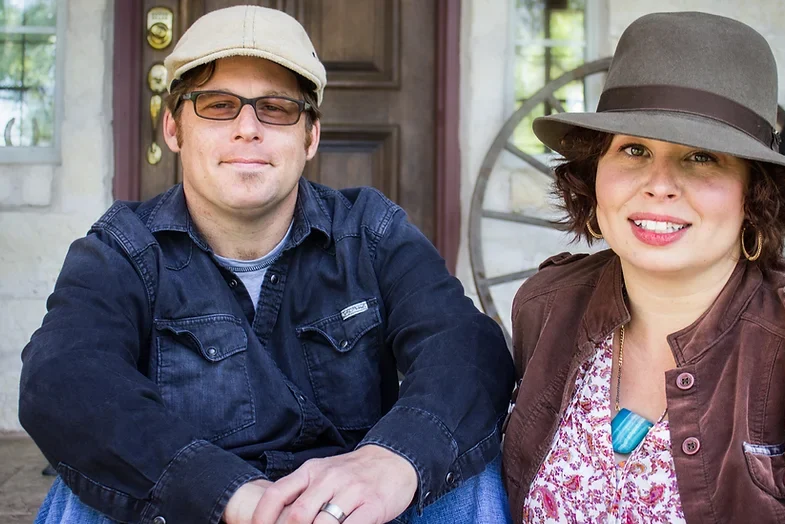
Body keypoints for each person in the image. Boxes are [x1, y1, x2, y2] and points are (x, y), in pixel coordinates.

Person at [20, 6, 514, 524]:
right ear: (173, 128)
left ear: (311, 136)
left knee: (461, 468)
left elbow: (465, 348)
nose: (247, 128)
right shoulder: (125, 249)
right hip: (198, 506)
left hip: (347, 508)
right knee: (88, 490)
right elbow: (62, 379)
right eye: (217, 104)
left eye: (276, 108)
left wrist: (392, 459)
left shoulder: (371, 231)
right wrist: (229, 494)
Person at [501, 11, 785, 523]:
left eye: (702, 157)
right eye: (634, 149)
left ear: (755, 192)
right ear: (594, 176)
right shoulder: (547, 305)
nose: (659, 184)